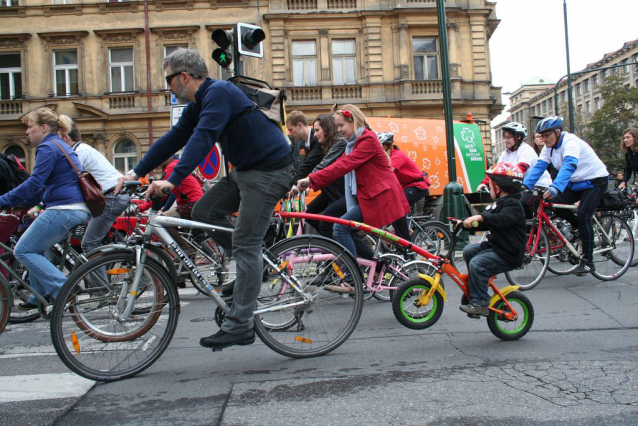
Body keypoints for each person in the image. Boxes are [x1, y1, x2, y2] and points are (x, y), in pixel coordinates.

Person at [115, 48, 292, 351]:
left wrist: (172, 179)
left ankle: (240, 326)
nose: (167, 87)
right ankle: (258, 266)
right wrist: (136, 171)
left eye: (168, 80)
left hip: (269, 172)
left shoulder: (219, 92)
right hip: (246, 171)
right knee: (203, 211)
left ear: (184, 76)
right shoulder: (198, 105)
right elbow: (173, 139)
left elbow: (203, 138)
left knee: (246, 244)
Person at [296, 104, 410, 293]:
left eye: (341, 126)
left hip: (381, 196)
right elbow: (341, 163)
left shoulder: (367, 140)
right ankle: (376, 263)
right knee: (341, 229)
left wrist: (311, 180)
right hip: (371, 196)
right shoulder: (354, 143)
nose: (339, 130)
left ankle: (352, 278)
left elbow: (344, 165)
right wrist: (309, 181)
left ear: (353, 121)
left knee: (340, 227)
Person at [0, 108, 90, 308]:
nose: (27, 132)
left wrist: (3, 200)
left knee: (22, 251)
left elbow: (34, 184)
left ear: (43, 127)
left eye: (30, 127)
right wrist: (21, 203)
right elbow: (41, 188)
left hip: (64, 208)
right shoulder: (60, 145)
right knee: (35, 249)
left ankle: (64, 288)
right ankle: (38, 296)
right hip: (73, 207)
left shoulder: (47, 148)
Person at [523, 116, 609, 276]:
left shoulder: (571, 143)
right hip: (576, 183)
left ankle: (588, 261)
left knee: (584, 215)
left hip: (595, 181)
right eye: (541, 136)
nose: (544, 139)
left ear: (557, 132)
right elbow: (539, 167)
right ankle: (578, 229)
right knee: (552, 202)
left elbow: (569, 166)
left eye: (547, 135)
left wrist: (556, 186)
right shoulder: (548, 148)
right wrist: (524, 186)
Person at [459, 163, 527, 317]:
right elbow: (484, 220)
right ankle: (476, 289)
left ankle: (480, 302)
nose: (489, 188)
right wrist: (463, 222)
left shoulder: (514, 205)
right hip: (496, 246)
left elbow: (499, 219)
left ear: (498, 187)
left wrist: (481, 216)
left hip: (508, 253)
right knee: (469, 251)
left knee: (478, 263)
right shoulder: (499, 203)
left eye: (490, 185)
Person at [60, 122, 130, 256]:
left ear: (66, 138)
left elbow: (67, 181)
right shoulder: (82, 149)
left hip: (110, 197)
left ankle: (99, 275)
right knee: (90, 238)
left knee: (89, 244)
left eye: (57, 139)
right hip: (110, 196)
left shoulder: (79, 153)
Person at [300, 114, 346, 238]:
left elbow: (323, 165)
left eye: (317, 130)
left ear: (327, 129)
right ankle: (331, 244)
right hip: (330, 191)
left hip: (341, 193)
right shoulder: (327, 145)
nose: (315, 134)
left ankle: (342, 248)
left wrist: (308, 181)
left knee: (327, 225)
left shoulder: (340, 143)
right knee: (308, 213)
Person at [378, 131, 430, 240]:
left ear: (386, 146)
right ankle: (401, 230)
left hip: (417, 186)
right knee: (392, 207)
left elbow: (387, 173)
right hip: (407, 186)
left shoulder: (397, 155)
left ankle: (405, 238)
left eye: (380, 147)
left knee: (397, 206)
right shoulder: (388, 156)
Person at [286, 110, 317, 176]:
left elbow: (307, 165)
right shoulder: (307, 141)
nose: (290, 134)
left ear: (299, 125)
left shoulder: (316, 138)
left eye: (291, 130)